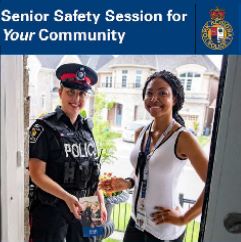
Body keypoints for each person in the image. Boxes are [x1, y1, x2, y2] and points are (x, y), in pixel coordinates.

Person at [99, 70, 208, 242]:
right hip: (136, 222)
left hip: (163, 231)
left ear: (175, 99)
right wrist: (126, 183)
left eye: (162, 93)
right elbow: (140, 172)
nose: (154, 98)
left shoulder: (183, 138)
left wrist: (184, 218)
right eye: (149, 93)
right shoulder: (140, 133)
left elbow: (213, 183)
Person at [28, 63, 107, 242]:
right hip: (53, 205)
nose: (76, 99)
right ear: (60, 92)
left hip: (88, 205)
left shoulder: (87, 128)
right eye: (71, 92)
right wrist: (66, 197)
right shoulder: (44, 127)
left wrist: (100, 201)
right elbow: (36, 174)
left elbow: (92, 170)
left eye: (82, 94)